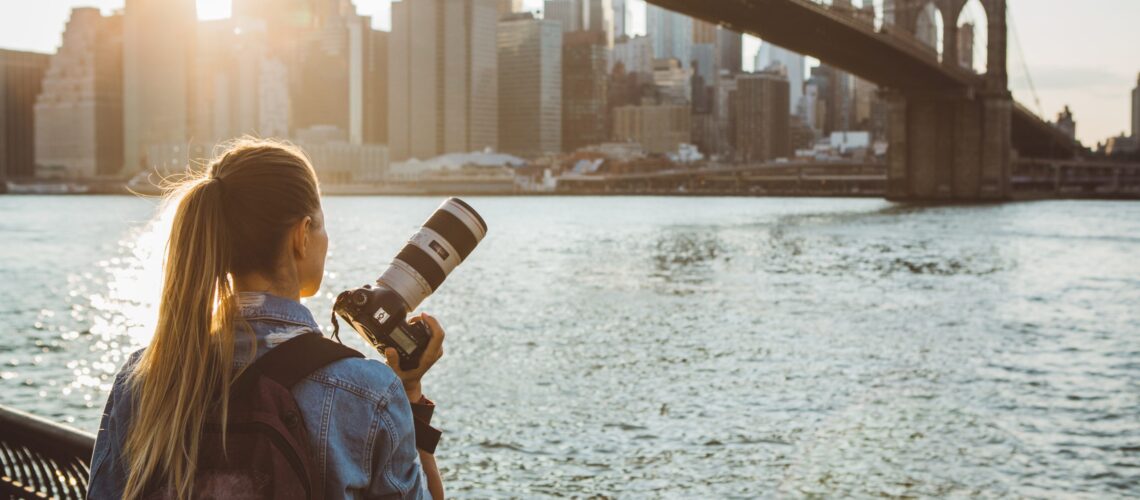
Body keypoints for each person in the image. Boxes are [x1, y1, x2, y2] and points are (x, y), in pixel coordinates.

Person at [88, 139, 445, 499]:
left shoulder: (144, 377)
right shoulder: (368, 392)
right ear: (301, 236)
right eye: (320, 226)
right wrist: (410, 392)